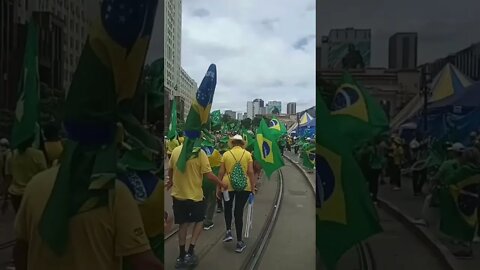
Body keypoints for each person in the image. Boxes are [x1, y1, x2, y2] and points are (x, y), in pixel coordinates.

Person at [167, 143, 227, 268]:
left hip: (178, 196)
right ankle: (190, 250)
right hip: (195, 196)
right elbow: (209, 175)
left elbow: (171, 169)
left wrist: (171, 180)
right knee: (199, 221)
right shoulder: (200, 153)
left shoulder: (176, 151)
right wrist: (221, 183)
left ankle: (182, 254)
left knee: (182, 224)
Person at [217, 135, 256, 253]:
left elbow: (221, 172)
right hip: (244, 185)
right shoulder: (248, 154)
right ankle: (239, 242)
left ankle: (228, 231)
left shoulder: (226, 154)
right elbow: (250, 172)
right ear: (242, 143)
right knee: (238, 212)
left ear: (232, 143)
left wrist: (218, 188)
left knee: (228, 208)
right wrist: (253, 188)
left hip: (227, 185)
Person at [415, 142, 463, 226]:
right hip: (462, 191)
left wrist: (431, 184)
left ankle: (425, 220)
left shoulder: (447, 164)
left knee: (429, 199)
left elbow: (436, 177)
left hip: (447, 191)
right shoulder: (466, 164)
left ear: (454, 152)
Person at [8, 136, 47, 212]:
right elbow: (44, 174)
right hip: (33, 193)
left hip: (15, 194)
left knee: (19, 220)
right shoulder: (38, 154)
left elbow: (8, 176)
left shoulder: (11, 155)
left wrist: (5, 197)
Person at [202, 145, 222, 230]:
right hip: (213, 179)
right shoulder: (216, 152)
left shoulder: (200, 153)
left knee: (203, 199)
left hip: (202, 179)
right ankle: (208, 222)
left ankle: (202, 217)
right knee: (212, 201)